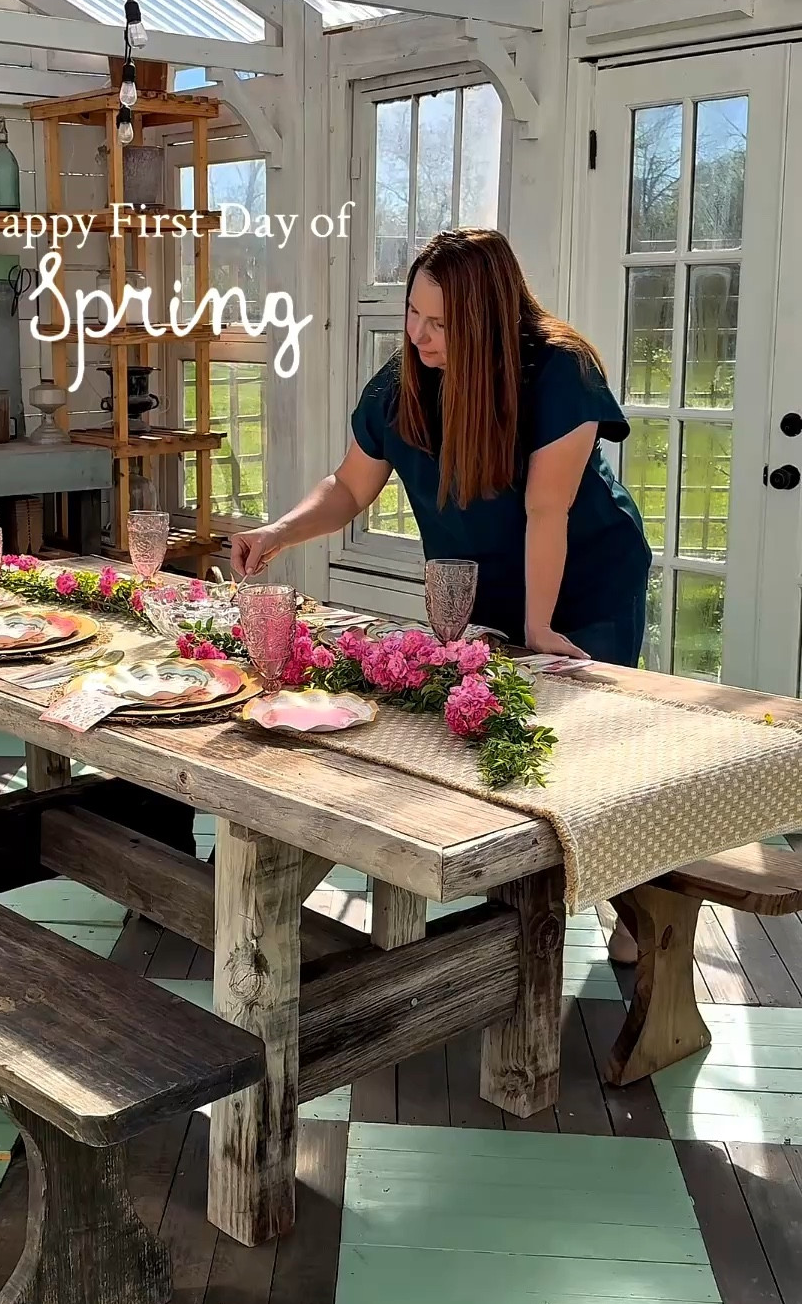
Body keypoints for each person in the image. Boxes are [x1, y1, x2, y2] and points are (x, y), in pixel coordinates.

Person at [232, 228, 651, 960]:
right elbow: (348, 486)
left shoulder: (560, 372)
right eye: (412, 314)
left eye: (440, 324)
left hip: (582, 581)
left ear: (486, 318)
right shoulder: (404, 382)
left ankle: (638, 908)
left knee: (583, 752)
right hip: (475, 587)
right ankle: (505, 914)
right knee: (488, 739)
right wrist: (280, 532)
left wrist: (542, 628)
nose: (419, 336)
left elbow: (546, 511)